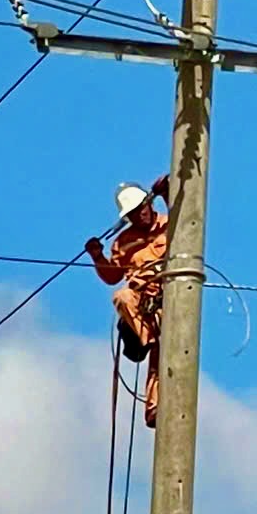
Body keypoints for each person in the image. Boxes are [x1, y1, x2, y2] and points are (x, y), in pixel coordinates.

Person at [85, 174, 173, 426]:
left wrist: (167, 194)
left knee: (162, 354)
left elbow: (187, 223)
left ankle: (154, 409)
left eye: (141, 208)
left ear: (150, 204)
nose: (139, 215)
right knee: (122, 296)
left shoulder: (171, 225)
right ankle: (146, 339)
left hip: (169, 298)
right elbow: (113, 277)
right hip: (141, 302)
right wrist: (97, 256)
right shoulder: (123, 241)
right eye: (133, 213)